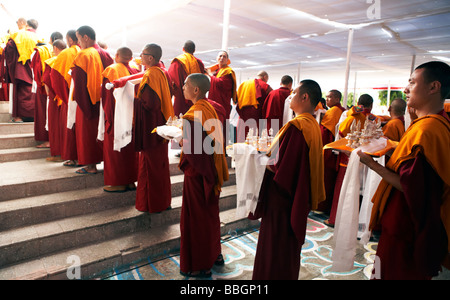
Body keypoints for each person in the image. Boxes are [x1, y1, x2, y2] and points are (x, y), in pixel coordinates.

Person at [357, 61, 450, 280]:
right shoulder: (436, 123)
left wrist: (372, 165)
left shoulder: (427, 129)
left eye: (412, 82)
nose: (406, 89)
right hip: (413, 223)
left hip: (406, 226)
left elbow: (411, 185)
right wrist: (389, 148)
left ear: (433, 87)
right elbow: (416, 163)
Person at [250, 79, 325, 280]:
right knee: (287, 251)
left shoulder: (297, 126)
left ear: (305, 97)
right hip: (296, 197)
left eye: (294, 93)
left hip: (281, 199)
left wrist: (256, 156)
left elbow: (280, 167)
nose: (289, 97)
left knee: (275, 250)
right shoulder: (312, 126)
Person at [179, 73, 229, 278]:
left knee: (197, 218)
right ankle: (215, 254)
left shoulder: (194, 114)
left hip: (198, 173)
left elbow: (193, 150)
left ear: (196, 90)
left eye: (185, 85)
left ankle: (199, 265)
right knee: (210, 215)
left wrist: (182, 142)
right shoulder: (217, 107)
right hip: (215, 166)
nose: (182, 87)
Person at [325, 94, 378, 227]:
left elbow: (340, 132)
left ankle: (334, 219)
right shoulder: (374, 119)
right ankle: (356, 222)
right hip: (366, 159)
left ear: (358, 103)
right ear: (371, 105)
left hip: (347, 158)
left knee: (342, 189)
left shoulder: (351, 116)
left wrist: (336, 151)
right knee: (361, 192)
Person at [134, 43, 174, 213]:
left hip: (151, 127)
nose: (140, 57)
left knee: (150, 167)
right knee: (160, 165)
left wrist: (134, 101)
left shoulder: (151, 74)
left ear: (150, 58)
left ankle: (152, 204)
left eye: (142, 54)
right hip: (162, 124)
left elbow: (149, 104)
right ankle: (163, 201)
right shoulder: (163, 72)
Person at [71, 26, 114, 175]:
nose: (78, 42)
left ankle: (90, 166)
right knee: (102, 131)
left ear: (85, 37)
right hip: (104, 100)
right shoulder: (106, 54)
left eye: (78, 39)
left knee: (87, 133)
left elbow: (79, 81)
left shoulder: (83, 55)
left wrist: (83, 103)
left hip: (88, 101)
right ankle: (105, 162)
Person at [101, 47, 140, 193]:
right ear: (130, 58)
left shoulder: (111, 70)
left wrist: (109, 119)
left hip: (117, 116)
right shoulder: (135, 71)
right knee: (129, 150)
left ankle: (118, 182)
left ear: (116, 55)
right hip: (132, 116)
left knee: (116, 151)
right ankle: (130, 181)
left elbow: (107, 97)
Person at [50, 30, 80, 167]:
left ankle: (72, 157)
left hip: (69, 96)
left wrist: (63, 96)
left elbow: (55, 76)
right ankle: (82, 157)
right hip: (83, 98)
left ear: (70, 40)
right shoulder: (84, 51)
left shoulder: (66, 53)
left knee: (69, 127)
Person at [31, 31, 63, 148]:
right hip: (60, 90)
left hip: (45, 87)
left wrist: (41, 86)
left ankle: (48, 140)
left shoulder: (42, 50)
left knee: (47, 115)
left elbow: (37, 70)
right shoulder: (66, 53)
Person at [4, 19, 39, 122]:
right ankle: (33, 116)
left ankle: (19, 117)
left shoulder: (20, 34)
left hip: (22, 68)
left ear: (26, 25)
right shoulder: (38, 37)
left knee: (20, 92)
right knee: (33, 91)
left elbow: (9, 48)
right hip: (33, 67)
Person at [318, 89, 346, 213]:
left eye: (330, 97)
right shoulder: (343, 111)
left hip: (328, 149)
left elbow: (324, 132)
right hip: (337, 150)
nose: (327, 99)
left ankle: (321, 205)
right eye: (327, 97)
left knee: (325, 178)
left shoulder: (334, 111)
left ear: (337, 99)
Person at [41, 39, 67, 162]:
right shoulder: (70, 58)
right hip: (67, 97)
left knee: (55, 126)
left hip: (54, 98)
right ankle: (67, 153)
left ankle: (57, 154)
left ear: (55, 48)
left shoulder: (52, 62)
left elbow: (47, 82)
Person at [167, 40, 205, 117]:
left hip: (180, 100)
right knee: (195, 124)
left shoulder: (177, 62)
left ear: (183, 49)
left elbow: (171, 82)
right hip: (196, 99)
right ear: (194, 50)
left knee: (180, 124)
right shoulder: (199, 63)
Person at [206, 51, 237, 144]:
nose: (222, 58)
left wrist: (210, 74)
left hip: (222, 104)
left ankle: (222, 151)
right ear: (217, 58)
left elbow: (220, 83)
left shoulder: (228, 71)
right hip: (214, 103)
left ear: (227, 60)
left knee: (221, 127)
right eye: (220, 56)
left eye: (224, 57)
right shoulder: (218, 71)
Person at [236, 71, 273, 142]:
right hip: (256, 117)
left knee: (242, 136)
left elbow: (237, 98)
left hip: (243, 115)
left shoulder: (244, 84)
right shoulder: (266, 86)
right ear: (265, 77)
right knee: (254, 139)